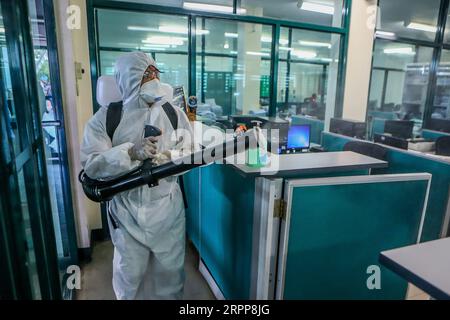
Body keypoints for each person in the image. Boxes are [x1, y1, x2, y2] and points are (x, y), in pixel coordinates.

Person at [80, 51, 193, 300]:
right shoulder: (107, 118)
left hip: (166, 209)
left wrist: (170, 158)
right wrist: (130, 152)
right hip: (126, 210)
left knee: (171, 277)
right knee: (129, 277)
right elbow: (92, 165)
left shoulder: (174, 114)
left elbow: (190, 153)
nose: (152, 78)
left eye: (155, 72)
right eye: (145, 74)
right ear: (127, 79)